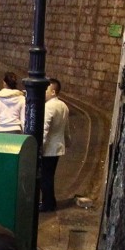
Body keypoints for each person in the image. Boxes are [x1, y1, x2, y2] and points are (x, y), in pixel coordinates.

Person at [40, 78, 72, 212]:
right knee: (49, 176)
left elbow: (45, 129)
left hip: (48, 148)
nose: (44, 92)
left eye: (46, 89)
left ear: (53, 92)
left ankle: (47, 204)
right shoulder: (64, 106)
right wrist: (68, 142)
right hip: (58, 147)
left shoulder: (49, 107)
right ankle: (50, 201)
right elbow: (66, 128)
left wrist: (39, 147)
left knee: (44, 177)